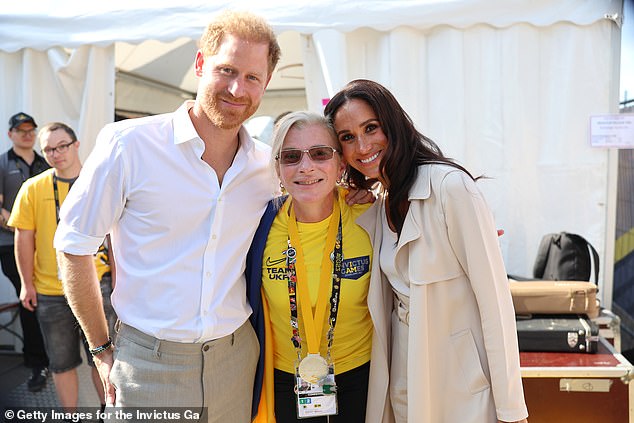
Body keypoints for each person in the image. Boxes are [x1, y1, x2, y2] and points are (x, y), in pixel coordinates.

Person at [53, 11, 282, 422]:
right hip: (147, 365)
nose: (237, 88)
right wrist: (102, 349)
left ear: (266, 84)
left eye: (252, 77)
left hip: (238, 359)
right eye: (226, 70)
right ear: (200, 65)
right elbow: (73, 245)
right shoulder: (128, 145)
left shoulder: (267, 168)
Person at [324, 79, 529, 423]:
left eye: (371, 128)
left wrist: (511, 409)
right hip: (404, 384)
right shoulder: (378, 207)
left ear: (393, 124)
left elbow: (496, 307)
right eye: (347, 137)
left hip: (462, 392)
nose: (362, 145)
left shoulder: (450, 188)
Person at [246, 112, 392, 422]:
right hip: (285, 381)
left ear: (341, 164)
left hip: (362, 376)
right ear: (278, 169)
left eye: (320, 153)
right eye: (291, 156)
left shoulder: (371, 216)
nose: (306, 166)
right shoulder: (257, 228)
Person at [8, 122, 117, 413]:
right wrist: (26, 284)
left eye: (62, 146)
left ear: (77, 144)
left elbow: (116, 236)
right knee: (61, 362)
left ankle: (108, 415)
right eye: (49, 150)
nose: (56, 154)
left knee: (104, 356)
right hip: (50, 291)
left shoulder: (98, 183)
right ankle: (71, 418)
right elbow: (24, 237)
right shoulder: (33, 188)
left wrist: (118, 278)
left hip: (98, 287)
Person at [0, 112, 50, 391]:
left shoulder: (46, 163)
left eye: (31, 129)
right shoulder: (1, 163)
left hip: (47, 248)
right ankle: (37, 365)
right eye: (21, 130)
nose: (27, 134)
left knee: (49, 304)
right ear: (11, 134)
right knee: (30, 301)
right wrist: (22, 225)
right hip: (11, 247)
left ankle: (55, 359)